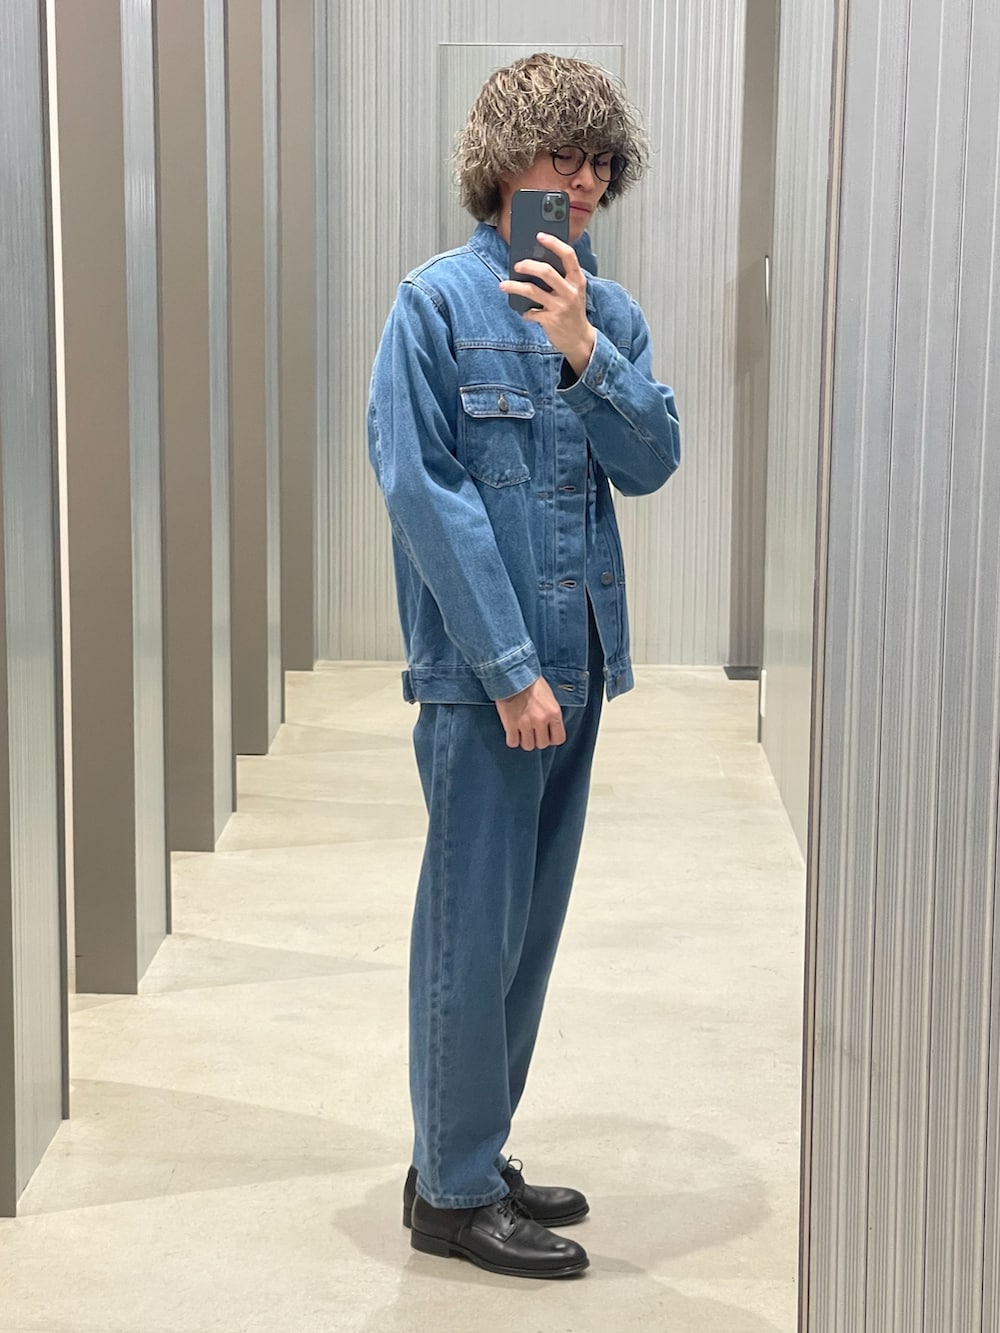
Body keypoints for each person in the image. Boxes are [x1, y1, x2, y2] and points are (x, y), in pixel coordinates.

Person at [367, 53, 680, 1280]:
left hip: (579, 663)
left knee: (526, 934)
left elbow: (650, 460)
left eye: (600, 160)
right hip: (486, 678)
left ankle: (470, 1150)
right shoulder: (435, 306)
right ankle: (450, 1194)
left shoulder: (610, 313)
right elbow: (422, 491)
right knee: (470, 927)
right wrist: (506, 667)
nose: (584, 179)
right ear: (505, 163)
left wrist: (584, 348)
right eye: (562, 155)